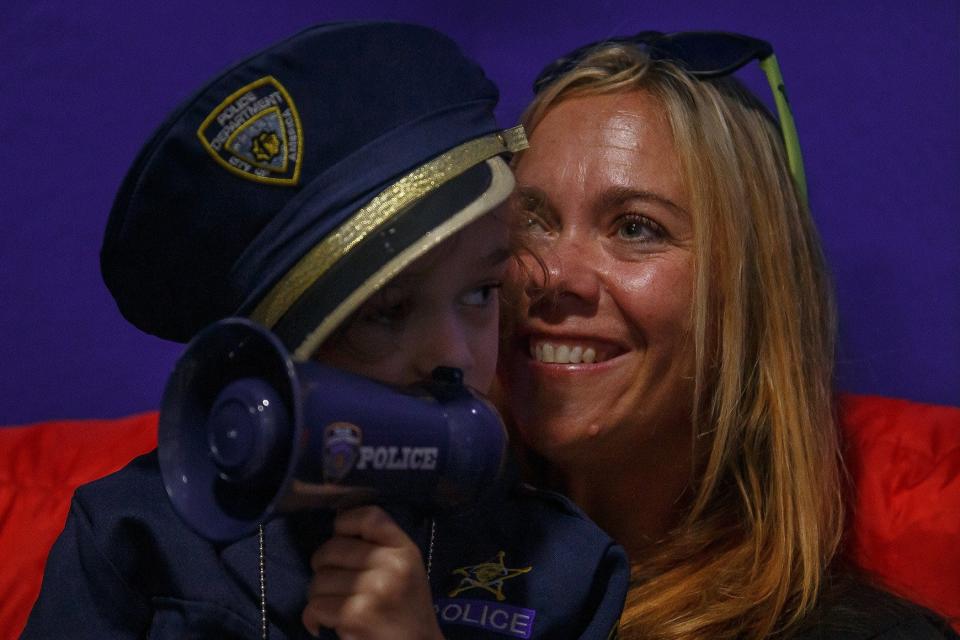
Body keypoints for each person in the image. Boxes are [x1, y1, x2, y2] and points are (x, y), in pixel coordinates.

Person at [22, 23, 628, 639]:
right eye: (385, 312)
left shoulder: (563, 570)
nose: (452, 353)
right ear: (275, 344)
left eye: (479, 293)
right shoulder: (134, 536)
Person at [496, 31, 959, 639]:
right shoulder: (395, 569)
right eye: (532, 221)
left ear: (752, 295)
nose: (553, 274)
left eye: (635, 228)